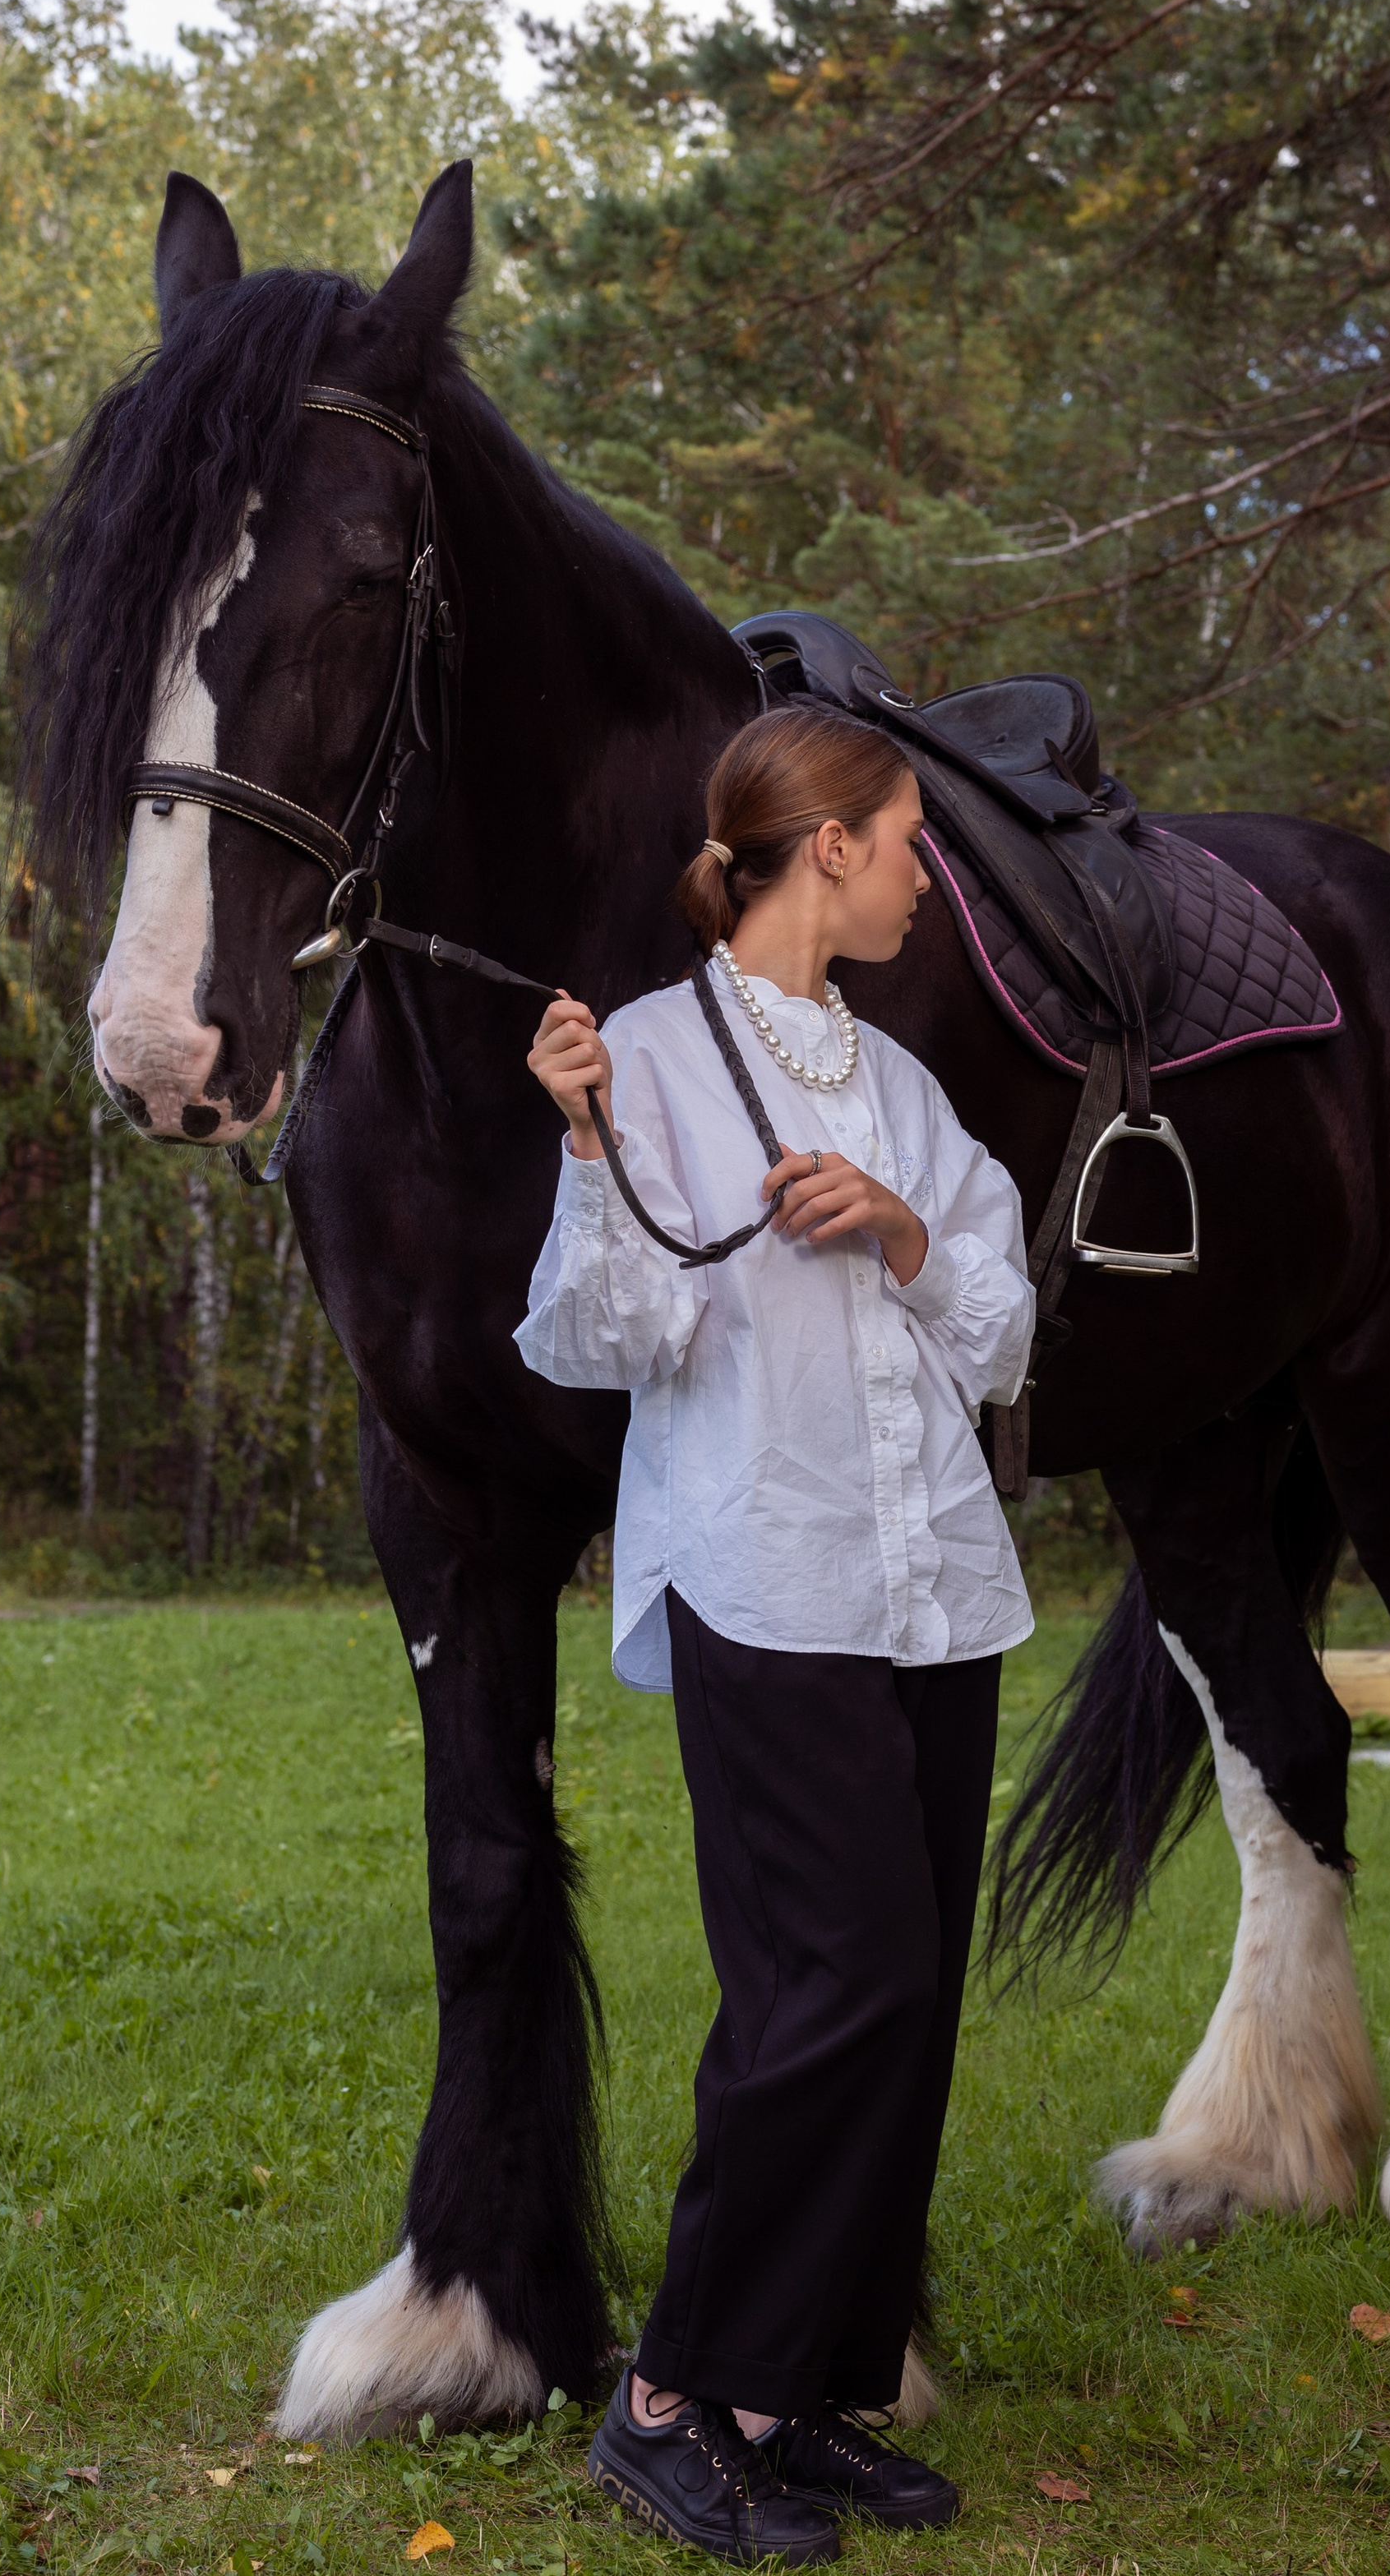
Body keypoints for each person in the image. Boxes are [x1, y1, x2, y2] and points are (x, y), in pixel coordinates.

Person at [513, 706, 1037, 2565]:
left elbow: (1004, 1328)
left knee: (899, 2007)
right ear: (827, 846)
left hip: (931, 1593)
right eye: (910, 843)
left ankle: (788, 2394)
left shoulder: (895, 1085)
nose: (923, 875)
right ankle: (666, 2397)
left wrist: (899, 1228)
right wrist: (585, 1143)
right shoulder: (644, 1056)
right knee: (835, 1984)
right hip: (768, 1580)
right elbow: (602, 1340)